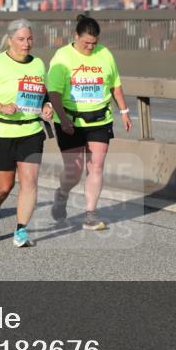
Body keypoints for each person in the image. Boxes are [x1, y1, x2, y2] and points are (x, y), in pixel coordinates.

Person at [0, 18, 54, 248]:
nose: (26, 44)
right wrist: (0, 106)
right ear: (10, 40)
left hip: (31, 130)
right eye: (21, 39)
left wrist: (47, 107)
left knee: (29, 182)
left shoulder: (38, 64)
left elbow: (43, 93)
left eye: (29, 39)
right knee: (4, 186)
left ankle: (21, 231)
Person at [47, 14, 133, 230]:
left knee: (96, 166)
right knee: (73, 171)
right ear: (75, 36)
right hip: (70, 120)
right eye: (86, 43)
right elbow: (54, 93)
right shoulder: (62, 56)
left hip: (99, 119)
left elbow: (115, 84)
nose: (90, 47)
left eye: (94, 43)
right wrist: (63, 119)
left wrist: (124, 111)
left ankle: (90, 215)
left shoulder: (105, 54)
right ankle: (63, 193)